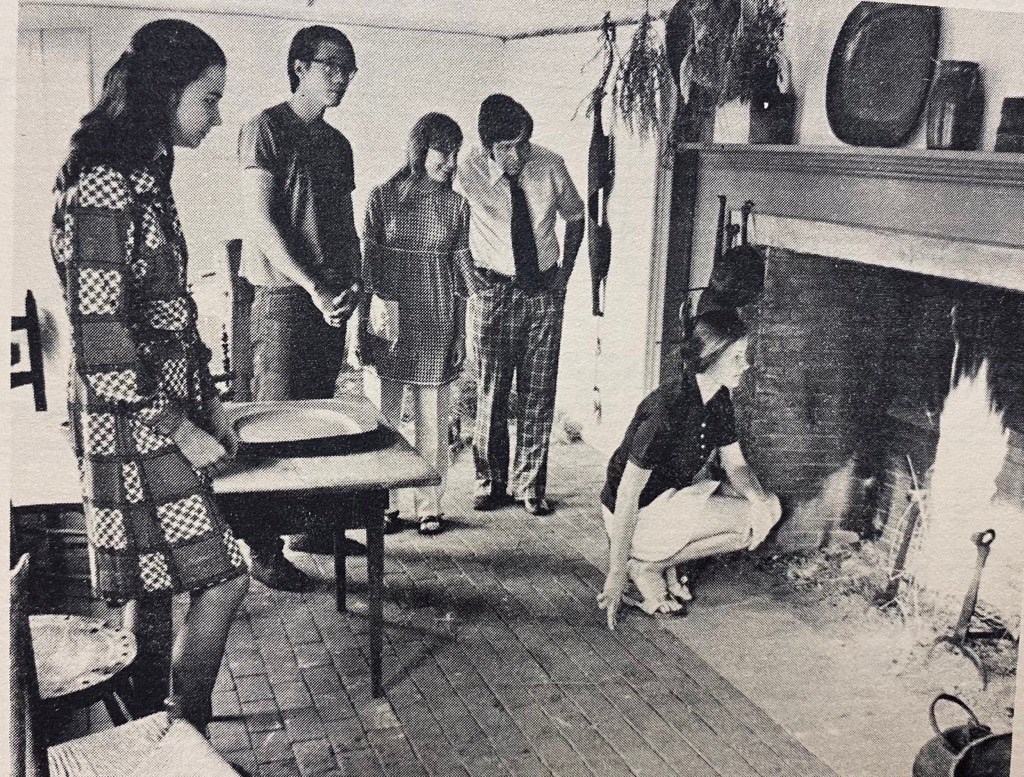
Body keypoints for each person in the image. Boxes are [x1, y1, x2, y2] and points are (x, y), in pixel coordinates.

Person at [50, 19, 249, 731]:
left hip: (162, 402)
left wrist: (212, 399)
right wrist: (180, 427)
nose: (217, 114)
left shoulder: (146, 173)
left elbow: (172, 309)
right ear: (166, 92)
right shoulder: (102, 185)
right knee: (225, 574)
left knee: (156, 582)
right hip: (128, 413)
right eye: (209, 97)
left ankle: (150, 736)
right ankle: (184, 727)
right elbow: (102, 336)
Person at [236, 25, 364, 590]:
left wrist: (351, 285)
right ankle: (262, 551)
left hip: (327, 300)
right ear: (298, 67)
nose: (341, 78)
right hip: (284, 298)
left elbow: (344, 225)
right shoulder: (265, 128)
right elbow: (262, 226)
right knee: (274, 426)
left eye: (348, 69)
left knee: (320, 423)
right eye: (330, 66)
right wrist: (312, 286)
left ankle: (311, 528)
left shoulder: (337, 144)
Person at [596, 309, 783, 629]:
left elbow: (735, 464)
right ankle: (643, 566)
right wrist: (614, 578)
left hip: (670, 498)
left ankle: (659, 563)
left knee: (769, 506)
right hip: (634, 514)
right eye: (737, 357)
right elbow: (627, 495)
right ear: (711, 355)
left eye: (745, 356)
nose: (746, 365)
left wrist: (757, 498)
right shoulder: (666, 409)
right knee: (748, 523)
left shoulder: (719, 396)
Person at [457, 94, 585, 517]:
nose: (517, 155)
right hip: (491, 292)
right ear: (487, 145)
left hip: (543, 291)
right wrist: (469, 277)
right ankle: (490, 482)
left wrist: (565, 271)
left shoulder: (550, 165)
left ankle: (530, 485)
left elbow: (576, 215)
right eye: (506, 147)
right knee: (491, 394)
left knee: (538, 392)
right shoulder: (465, 170)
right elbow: (451, 225)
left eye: (523, 143)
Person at [357, 113, 471, 536]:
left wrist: (460, 334)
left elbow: (461, 277)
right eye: (444, 151)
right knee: (383, 417)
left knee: (432, 420)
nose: (451, 162)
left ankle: (429, 504)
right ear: (420, 150)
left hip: (438, 318)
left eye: (456, 152)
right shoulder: (382, 198)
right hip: (390, 320)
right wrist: (360, 329)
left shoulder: (458, 206)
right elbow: (367, 270)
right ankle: (383, 502)